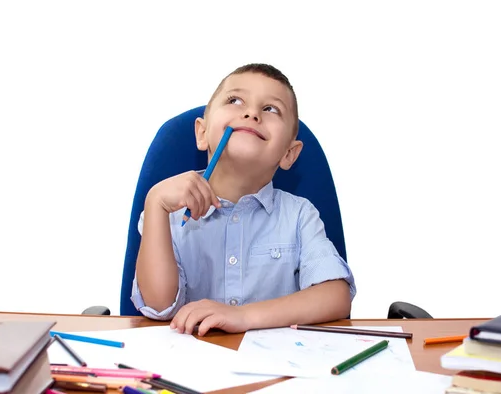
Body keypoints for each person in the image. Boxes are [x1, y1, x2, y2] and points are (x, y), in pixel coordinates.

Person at [131, 63, 356, 336]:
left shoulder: (299, 215)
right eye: (234, 100)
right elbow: (159, 306)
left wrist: (243, 316)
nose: (251, 113)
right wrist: (154, 201)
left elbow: (336, 296)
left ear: (289, 154)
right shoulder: (168, 213)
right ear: (202, 133)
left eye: (271, 109)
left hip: (278, 369)